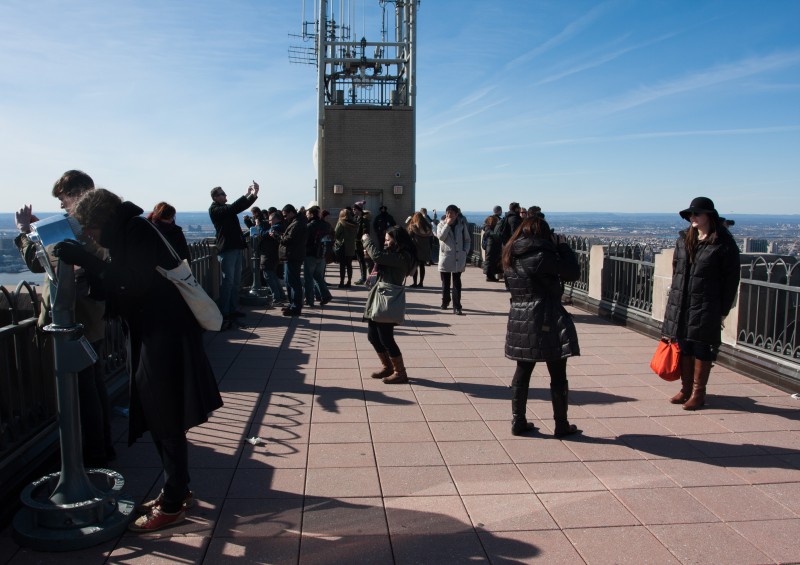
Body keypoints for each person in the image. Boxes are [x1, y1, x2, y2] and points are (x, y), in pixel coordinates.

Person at [53, 188, 223, 532]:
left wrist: (87, 260)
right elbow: (121, 283)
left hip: (165, 333)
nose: (88, 234)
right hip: (155, 331)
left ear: (103, 220)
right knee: (160, 411)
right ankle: (176, 490)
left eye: (90, 227)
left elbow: (134, 282)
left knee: (165, 413)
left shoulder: (136, 230)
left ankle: (174, 502)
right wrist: (91, 269)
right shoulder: (126, 234)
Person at [13, 170, 114, 467]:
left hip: (72, 316)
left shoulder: (76, 224)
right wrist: (39, 230)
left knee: (82, 390)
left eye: (63, 198)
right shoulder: (99, 225)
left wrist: (23, 232)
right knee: (94, 385)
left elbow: (41, 261)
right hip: (91, 315)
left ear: (78, 193)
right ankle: (103, 447)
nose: (61, 206)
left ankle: (90, 456)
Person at [503, 212, 581, 438]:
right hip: (547, 317)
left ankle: (518, 420)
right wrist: (563, 247)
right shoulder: (544, 255)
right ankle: (561, 424)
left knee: (523, 371)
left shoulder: (511, 254)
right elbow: (572, 272)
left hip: (520, 317)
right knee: (557, 372)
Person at [662, 197, 741, 410]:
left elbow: (731, 279)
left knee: (703, 347)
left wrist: (723, 310)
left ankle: (698, 392)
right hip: (683, 302)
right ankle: (686, 389)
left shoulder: (723, 243)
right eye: (690, 214)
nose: (692, 217)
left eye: (697, 213)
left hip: (707, 303)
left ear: (709, 216)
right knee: (685, 345)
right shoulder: (684, 240)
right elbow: (677, 270)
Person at [362, 226, 417, 384]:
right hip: (379, 297)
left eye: (388, 239)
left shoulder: (403, 256)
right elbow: (378, 263)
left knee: (386, 338)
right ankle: (388, 367)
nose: (385, 242)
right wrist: (369, 257)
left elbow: (378, 256)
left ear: (397, 240)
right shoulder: (394, 254)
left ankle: (400, 372)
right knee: (373, 336)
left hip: (388, 301)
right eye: (385, 240)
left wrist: (367, 241)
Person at [208, 182, 259, 325]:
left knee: (236, 282)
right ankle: (225, 312)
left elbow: (238, 207)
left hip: (235, 248)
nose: (225, 195)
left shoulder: (224, 208)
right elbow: (234, 208)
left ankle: (232, 309)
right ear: (215, 197)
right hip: (228, 249)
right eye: (222, 194)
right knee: (228, 281)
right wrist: (247, 194)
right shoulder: (215, 210)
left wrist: (253, 195)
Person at [436, 204, 471, 315]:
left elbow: (467, 239)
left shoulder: (461, 225)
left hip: (458, 257)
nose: (449, 215)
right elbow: (441, 237)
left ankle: (457, 306)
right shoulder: (441, 224)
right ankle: (445, 301)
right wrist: (447, 224)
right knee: (445, 282)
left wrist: (465, 251)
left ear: (456, 214)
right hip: (446, 257)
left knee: (457, 283)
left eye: (451, 213)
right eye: (447, 213)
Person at [276, 204, 307, 316]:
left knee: (293, 282)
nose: (284, 218)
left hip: (293, 256)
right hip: (293, 255)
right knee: (290, 281)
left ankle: (295, 307)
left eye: (285, 215)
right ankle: (292, 305)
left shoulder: (297, 223)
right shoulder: (297, 221)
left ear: (291, 212)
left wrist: (278, 237)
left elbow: (289, 239)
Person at [304, 205, 333, 307]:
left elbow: (305, 241)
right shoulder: (327, 225)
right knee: (318, 276)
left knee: (308, 278)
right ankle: (325, 294)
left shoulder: (309, 226)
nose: (306, 216)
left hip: (310, 254)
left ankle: (309, 300)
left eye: (307, 214)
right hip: (322, 254)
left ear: (311, 214)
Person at [407, 212, 432, 287]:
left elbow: (409, 236)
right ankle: (421, 283)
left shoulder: (413, 226)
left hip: (416, 248)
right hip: (425, 248)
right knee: (422, 266)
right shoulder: (427, 227)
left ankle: (415, 283)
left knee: (415, 266)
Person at [334, 208, 358, 287]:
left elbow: (336, 234)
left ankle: (341, 282)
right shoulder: (355, 224)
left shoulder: (341, 223)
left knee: (342, 265)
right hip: (351, 246)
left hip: (343, 247)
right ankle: (349, 282)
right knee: (349, 265)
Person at [353, 204, 373, 284]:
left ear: (359, 210)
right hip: (356, 243)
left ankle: (364, 278)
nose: (353, 211)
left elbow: (365, 233)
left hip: (362, 243)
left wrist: (365, 245)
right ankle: (363, 277)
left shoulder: (364, 220)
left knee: (364, 261)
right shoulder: (355, 218)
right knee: (361, 261)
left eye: (355, 209)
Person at [482, 214, 502, 282]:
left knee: (490, 261)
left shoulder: (487, 228)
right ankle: (490, 276)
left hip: (490, 246)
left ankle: (490, 276)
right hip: (491, 246)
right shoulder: (489, 229)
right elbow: (493, 235)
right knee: (490, 261)